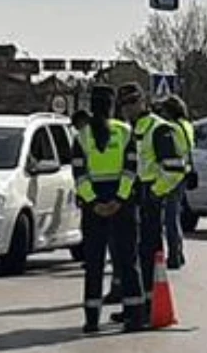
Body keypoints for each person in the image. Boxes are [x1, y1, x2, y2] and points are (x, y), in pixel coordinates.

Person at [70, 85, 145, 333]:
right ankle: (134, 315)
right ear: (112, 106)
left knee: (94, 263)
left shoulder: (81, 136)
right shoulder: (125, 132)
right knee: (127, 261)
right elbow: (131, 170)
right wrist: (119, 200)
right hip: (122, 205)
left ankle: (92, 319)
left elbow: (79, 175)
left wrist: (94, 203)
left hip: (94, 208)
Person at [110, 82, 186, 327]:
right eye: (124, 104)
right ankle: (134, 306)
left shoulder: (158, 128)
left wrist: (154, 193)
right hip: (128, 197)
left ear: (144, 101)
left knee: (146, 255)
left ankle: (148, 309)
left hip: (148, 197)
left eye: (133, 102)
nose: (129, 108)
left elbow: (175, 169)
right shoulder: (126, 130)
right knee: (127, 256)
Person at [159, 94, 195, 269]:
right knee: (175, 216)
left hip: (173, 173)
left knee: (170, 217)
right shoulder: (187, 126)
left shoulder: (171, 128)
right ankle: (178, 253)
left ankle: (174, 255)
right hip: (185, 172)